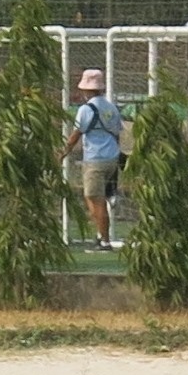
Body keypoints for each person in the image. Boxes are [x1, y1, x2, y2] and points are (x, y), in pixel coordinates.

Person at [64, 67, 124, 248]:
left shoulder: (86, 109)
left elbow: (77, 133)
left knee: (94, 199)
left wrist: (63, 152)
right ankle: (111, 197)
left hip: (95, 158)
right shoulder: (111, 107)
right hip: (112, 157)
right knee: (97, 197)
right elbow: (117, 132)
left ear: (86, 90)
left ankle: (104, 240)